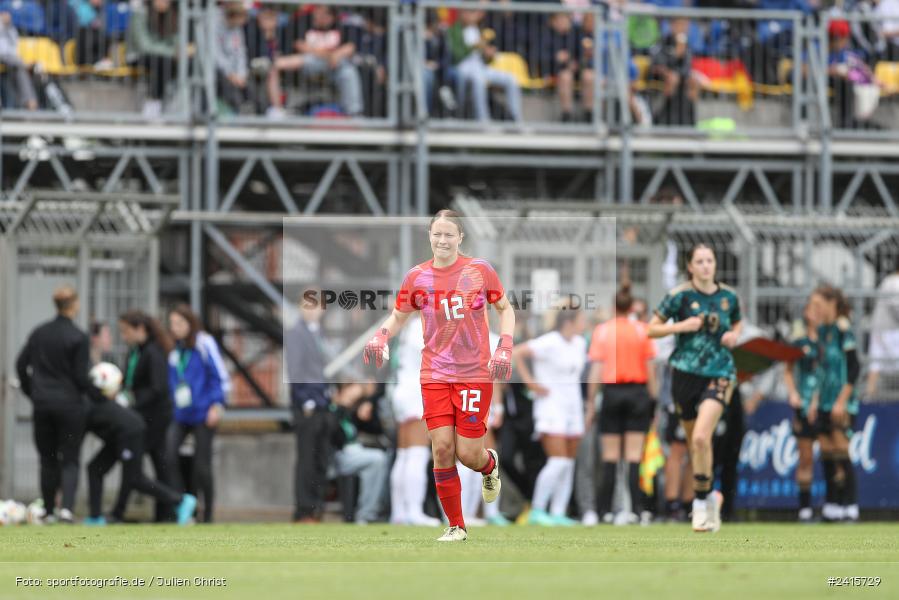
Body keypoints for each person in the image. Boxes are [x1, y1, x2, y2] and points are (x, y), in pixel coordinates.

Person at [363, 209, 516, 542]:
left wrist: (505, 346)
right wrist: (380, 336)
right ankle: (457, 525)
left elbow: (505, 309)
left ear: (460, 238)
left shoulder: (479, 271)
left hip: (475, 374)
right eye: (437, 234)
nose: (443, 240)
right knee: (442, 448)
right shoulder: (417, 277)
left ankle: (489, 466)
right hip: (434, 374)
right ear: (429, 236)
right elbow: (399, 317)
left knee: (468, 454)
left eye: (449, 234)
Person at [648, 243, 743, 533]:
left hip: (720, 372)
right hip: (685, 375)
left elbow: (737, 323)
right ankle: (709, 495)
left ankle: (700, 505)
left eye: (709, 260)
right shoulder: (679, 296)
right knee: (694, 444)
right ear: (690, 266)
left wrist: (733, 337)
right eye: (699, 261)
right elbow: (651, 329)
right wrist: (682, 327)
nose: (705, 266)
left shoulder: (729, 296)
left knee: (702, 437)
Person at [15, 286, 90, 524]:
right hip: (69, 405)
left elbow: (20, 365)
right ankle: (66, 509)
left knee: (47, 459)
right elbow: (80, 377)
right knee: (70, 458)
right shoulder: (78, 336)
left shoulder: (39, 333)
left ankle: (48, 510)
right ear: (74, 305)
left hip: (43, 405)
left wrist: (32, 392)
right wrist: (95, 393)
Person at [512, 302, 587, 526]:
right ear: (569, 322)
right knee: (558, 461)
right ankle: (537, 509)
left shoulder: (580, 343)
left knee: (569, 463)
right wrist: (531, 383)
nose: (584, 323)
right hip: (550, 406)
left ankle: (558, 512)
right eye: (581, 319)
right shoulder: (549, 341)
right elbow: (517, 353)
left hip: (573, 407)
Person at [587, 284, 657, 525]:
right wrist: (653, 402)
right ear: (631, 307)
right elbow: (651, 370)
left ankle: (604, 511)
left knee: (610, 457)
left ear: (613, 306)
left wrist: (590, 402)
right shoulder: (642, 330)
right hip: (637, 393)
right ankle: (637, 510)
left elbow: (596, 369)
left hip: (612, 393)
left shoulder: (603, 331)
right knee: (634, 457)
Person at [84, 380, 196, 526]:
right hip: (116, 436)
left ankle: (181, 500)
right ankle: (95, 517)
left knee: (135, 478)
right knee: (95, 468)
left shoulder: (83, 402)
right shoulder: (85, 400)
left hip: (130, 433)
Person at [110, 310, 176, 522]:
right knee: (158, 465)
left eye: (126, 331)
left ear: (140, 329)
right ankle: (169, 513)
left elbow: (157, 389)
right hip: (140, 417)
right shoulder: (135, 352)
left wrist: (131, 402)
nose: (124, 336)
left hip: (152, 419)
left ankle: (173, 506)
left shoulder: (154, 352)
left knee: (135, 467)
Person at [166, 304, 228, 523]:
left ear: (190, 324)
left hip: (204, 412)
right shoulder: (175, 350)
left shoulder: (204, 343)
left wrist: (217, 405)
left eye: (180, 323)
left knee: (203, 465)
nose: (175, 328)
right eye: (172, 324)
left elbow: (219, 376)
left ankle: (208, 514)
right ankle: (185, 504)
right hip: (182, 414)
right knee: (169, 454)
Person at [809, 285, 860, 523]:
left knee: (841, 450)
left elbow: (853, 368)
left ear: (831, 303)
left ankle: (850, 504)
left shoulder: (843, 328)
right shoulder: (823, 331)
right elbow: (820, 369)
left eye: (818, 305)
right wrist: (815, 401)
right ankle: (832, 504)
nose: (815, 310)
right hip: (824, 400)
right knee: (827, 451)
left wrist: (842, 401)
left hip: (841, 402)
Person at [285, 293, 334, 523]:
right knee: (306, 459)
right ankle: (304, 509)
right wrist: (305, 401)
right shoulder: (296, 334)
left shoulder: (320, 334)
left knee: (321, 459)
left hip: (324, 404)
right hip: (308, 406)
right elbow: (295, 371)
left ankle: (316, 507)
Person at [389, 314, 441, 526]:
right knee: (417, 453)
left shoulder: (408, 327)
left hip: (403, 389)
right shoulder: (422, 327)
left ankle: (400, 512)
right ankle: (414, 511)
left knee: (404, 453)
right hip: (415, 391)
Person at [267, 5, 363, 118]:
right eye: (316, 12)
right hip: (310, 63)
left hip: (336, 66)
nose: (317, 16)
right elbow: (300, 46)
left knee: (348, 71)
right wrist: (329, 55)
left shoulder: (341, 26)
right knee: (277, 64)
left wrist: (336, 55)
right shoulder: (304, 23)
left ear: (331, 16)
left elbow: (350, 47)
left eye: (322, 14)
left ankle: (354, 112)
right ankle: (277, 109)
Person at [446, 9, 522, 122]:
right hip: (462, 68)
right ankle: (483, 121)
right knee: (479, 80)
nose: (474, 16)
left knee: (511, 79)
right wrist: (474, 46)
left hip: (480, 67)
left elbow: (483, 59)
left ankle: (516, 121)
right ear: (462, 13)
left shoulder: (478, 29)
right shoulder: (453, 30)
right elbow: (456, 55)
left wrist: (488, 56)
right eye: (470, 12)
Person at [331, 381, 388, 524]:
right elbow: (335, 435)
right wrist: (342, 404)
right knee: (377, 459)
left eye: (355, 399)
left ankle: (371, 511)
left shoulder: (351, 414)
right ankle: (366, 513)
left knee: (382, 458)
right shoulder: (331, 411)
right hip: (339, 454)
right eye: (349, 397)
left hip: (354, 452)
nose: (351, 402)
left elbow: (376, 428)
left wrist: (368, 402)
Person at [783, 303, 820, 523]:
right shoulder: (799, 342)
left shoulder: (830, 341)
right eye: (811, 310)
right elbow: (787, 370)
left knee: (831, 456)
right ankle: (804, 508)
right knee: (805, 456)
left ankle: (837, 506)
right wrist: (793, 394)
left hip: (825, 402)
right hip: (803, 404)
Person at [127, 0, 186, 119]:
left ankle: (169, 107)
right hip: (138, 56)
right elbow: (144, 46)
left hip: (163, 57)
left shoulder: (171, 16)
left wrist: (180, 50)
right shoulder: (141, 14)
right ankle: (153, 104)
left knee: (177, 63)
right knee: (162, 62)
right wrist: (172, 52)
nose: (163, 2)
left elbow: (176, 40)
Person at [866, 264, 899, 397]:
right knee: (877, 360)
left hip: (883, 327)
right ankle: (870, 393)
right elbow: (896, 306)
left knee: (876, 361)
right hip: (889, 329)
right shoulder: (895, 282)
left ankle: (870, 393)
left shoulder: (888, 280)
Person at [215, 2, 249, 116]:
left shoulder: (237, 28)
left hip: (234, 71)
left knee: (249, 85)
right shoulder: (214, 22)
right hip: (218, 69)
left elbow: (240, 52)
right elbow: (215, 54)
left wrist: (241, 74)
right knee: (228, 86)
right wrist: (230, 73)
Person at [0, 10, 38, 110]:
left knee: (20, 71)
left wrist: (7, 26)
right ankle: (30, 101)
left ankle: (29, 102)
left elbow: (14, 45)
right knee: (20, 65)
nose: (7, 17)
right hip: (2, 55)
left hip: (10, 58)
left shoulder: (11, 28)